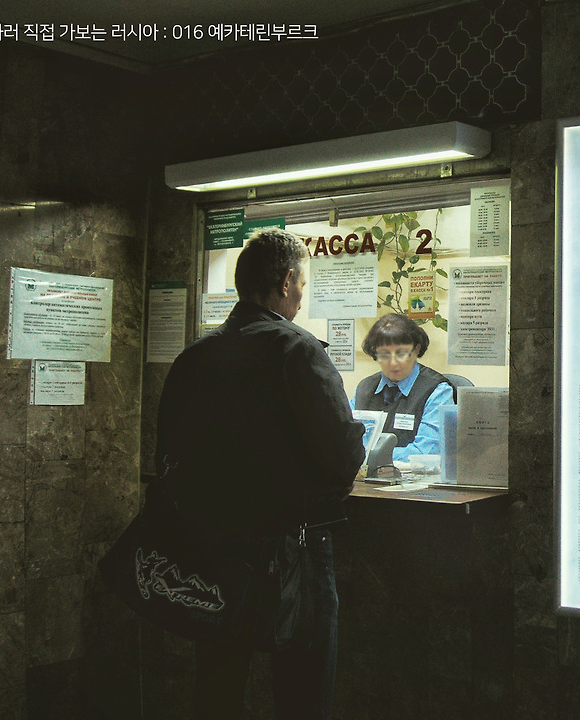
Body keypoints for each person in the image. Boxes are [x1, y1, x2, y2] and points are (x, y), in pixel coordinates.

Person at [155, 228, 365, 720]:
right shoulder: (297, 349)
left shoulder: (194, 356)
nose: (301, 297)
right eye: (303, 285)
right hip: (291, 548)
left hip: (210, 547)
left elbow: (168, 453)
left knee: (218, 685)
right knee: (302, 688)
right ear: (287, 281)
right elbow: (341, 452)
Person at [351, 313, 455, 462]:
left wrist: (370, 454)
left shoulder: (438, 391)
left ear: (416, 350)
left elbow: (427, 451)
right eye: (384, 355)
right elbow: (345, 439)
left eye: (401, 354)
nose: (393, 363)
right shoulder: (364, 389)